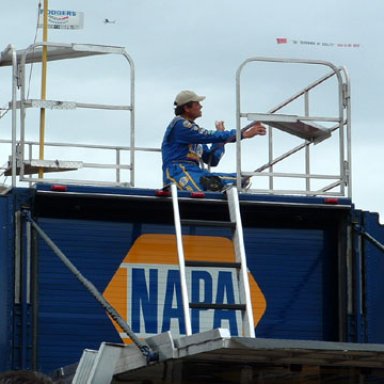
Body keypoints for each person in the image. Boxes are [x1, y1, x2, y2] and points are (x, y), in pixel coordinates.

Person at [161, 90, 266, 192]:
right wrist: (243, 133)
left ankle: (216, 187)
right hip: (178, 171)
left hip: (197, 172)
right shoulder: (180, 125)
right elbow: (207, 135)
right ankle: (212, 187)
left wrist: (220, 136)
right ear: (187, 108)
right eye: (197, 103)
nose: (200, 106)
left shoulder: (195, 138)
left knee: (241, 179)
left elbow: (213, 159)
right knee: (203, 188)